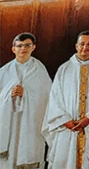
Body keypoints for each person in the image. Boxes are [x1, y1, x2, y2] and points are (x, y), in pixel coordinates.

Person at [42, 31, 89, 169]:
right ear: (76, 46)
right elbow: (55, 98)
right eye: (82, 44)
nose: (85, 47)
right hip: (67, 127)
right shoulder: (64, 69)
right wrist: (64, 120)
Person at [0, 33, 51, 169]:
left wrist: (27, 94)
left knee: (27, 159)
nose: (23, 48)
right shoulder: (4, 71)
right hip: (9, 121)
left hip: (30, 123)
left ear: (33, 47)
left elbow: (47, 98)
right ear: (13, 49)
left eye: (27, 45)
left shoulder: (39, 70)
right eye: (20, 45)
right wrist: (8, 95)